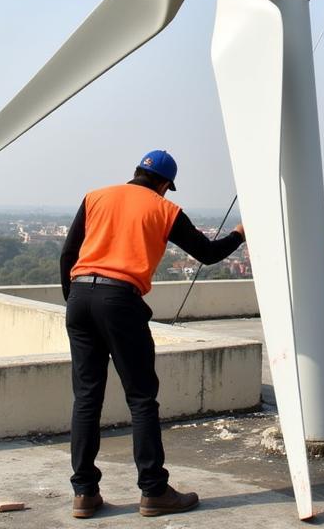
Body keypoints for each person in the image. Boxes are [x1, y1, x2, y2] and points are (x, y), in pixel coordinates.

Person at [59, 149, 246, 518]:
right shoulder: (164, 208)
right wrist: (238, 234)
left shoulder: (95, 196)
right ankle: (154, 490)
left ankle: (84, 493)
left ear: (136, 173)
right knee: (142, 398)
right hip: (120, 300)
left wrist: (75, 301)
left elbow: (68, 255)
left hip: (80, 295)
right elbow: (207, 253)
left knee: (86, 399)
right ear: (164, 184)